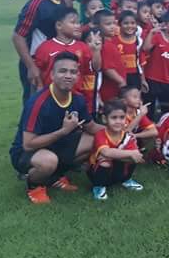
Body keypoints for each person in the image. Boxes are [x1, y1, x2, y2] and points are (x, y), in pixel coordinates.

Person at [9, 52, 102, 204]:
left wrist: (121, 131)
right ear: (52, 75)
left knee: (94, 140)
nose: (68, 76)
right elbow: (28, 144)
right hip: (27, 152)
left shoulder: (78, 99)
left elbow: (91, 127)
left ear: (78, 76)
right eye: (63, 71)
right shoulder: (38, 103)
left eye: (73, 72)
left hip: (56, 144)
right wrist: (63, 131)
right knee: (48, 161)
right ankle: (34, 185)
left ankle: (55, 177)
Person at [12, 0, 78, 101]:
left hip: (60, 63)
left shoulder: (63, 2)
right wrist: (31, 67)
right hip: (39, 65)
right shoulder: (36, 4)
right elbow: (18, 36)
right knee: (37, 104)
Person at [33, 6, 101, 114]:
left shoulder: (82, 47)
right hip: (51, 98)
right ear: (59, 25)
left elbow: (95, 68)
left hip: (75, 98)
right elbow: (37, 72)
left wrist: (96, 51)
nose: (77, 26)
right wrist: (39, 89)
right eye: (73, 22)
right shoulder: (45, 48)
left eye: (78, 23)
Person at [87, 99, 145, 201]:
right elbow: (106, 152)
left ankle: (126, 179)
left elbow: (137, 156)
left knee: (133, 158)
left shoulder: (128, 136)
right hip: (97, 171)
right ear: (105, 119)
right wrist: (130, 153)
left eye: (122, 117)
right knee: (105, 161)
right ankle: (98, 186)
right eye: (114, 118)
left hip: (117, 168)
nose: (118, 121)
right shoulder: (100, 134)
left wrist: (132, 155)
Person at [142, 11, 169, 115]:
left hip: (167, 82)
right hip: (151, 79)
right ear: (165, 25)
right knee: (148, 109)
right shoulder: (157, 37)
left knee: (168, 109)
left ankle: (165, 124)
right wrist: (151, 32)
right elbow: (145, 48)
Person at [97, 10, 127, 104]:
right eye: (108, 24)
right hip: (110, 90)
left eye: (114, 23)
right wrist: (121, 81)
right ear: (98, 26)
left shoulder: (111, 42)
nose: (112, 27)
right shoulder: (105, 45)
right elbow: (108, 69)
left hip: (115, 88)